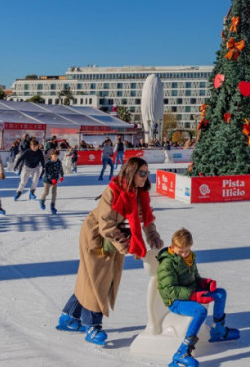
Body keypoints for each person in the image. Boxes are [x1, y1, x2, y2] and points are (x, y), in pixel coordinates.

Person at [56, 157, 164, 346]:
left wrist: (153, 236)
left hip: (116, 237)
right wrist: (127, 245)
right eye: (142, 173)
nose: (146, 178)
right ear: (131, 173)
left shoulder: (141, 194)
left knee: (92, 278)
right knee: (98, 280)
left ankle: (68, 317)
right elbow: (106, 226)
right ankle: (92, 326)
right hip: (97, 235)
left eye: (147, 173)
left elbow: (146, 218)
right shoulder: (113, 191)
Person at [157, 227, 240, 367]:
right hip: (175, 301)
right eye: (180, 251)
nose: (184, 254)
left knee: (220, 294)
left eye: (187, 250)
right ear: (173, 247)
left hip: (191, 293)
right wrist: (194, 295)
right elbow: (170, 290)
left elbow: (194, 279)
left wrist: (205, 283)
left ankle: (218, 330)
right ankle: (182, 352)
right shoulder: (167, 264)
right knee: (200, 311)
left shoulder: (190, 258)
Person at [40, 148, 64, 214]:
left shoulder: (59, 162)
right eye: (54, 156)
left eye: (57, 156)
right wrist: (52, 179)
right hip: (47, 181)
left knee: (54, 193)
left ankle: (52, 206)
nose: (56, 157)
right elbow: (47, 173)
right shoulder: (48, 163)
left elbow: (61, 169)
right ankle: (42, 201)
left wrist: (62, 176)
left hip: (55, 180)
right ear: (51, 155)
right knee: (46, 192)